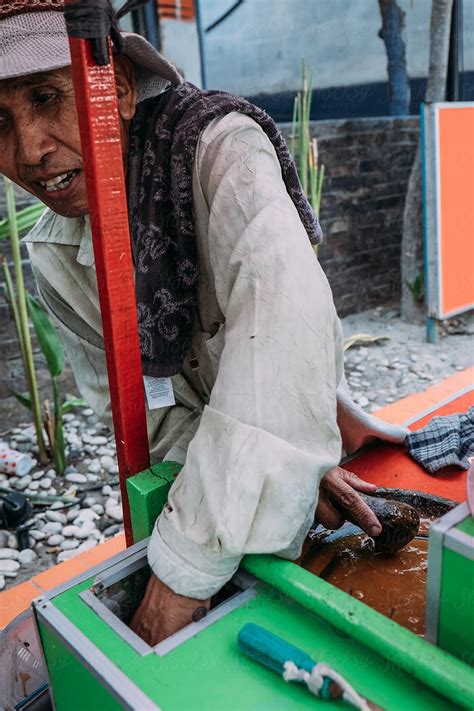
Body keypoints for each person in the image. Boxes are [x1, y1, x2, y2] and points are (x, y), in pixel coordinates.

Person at [0, 0, 408, 645]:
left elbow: (280, 346)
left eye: (48, 97)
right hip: (212, 480)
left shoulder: (222, 151)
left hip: (250, 467)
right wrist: (285, 468)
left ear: (120, 87)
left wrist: (173, 590)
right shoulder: (56, 253)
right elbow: (145, 417)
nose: (29, 151)